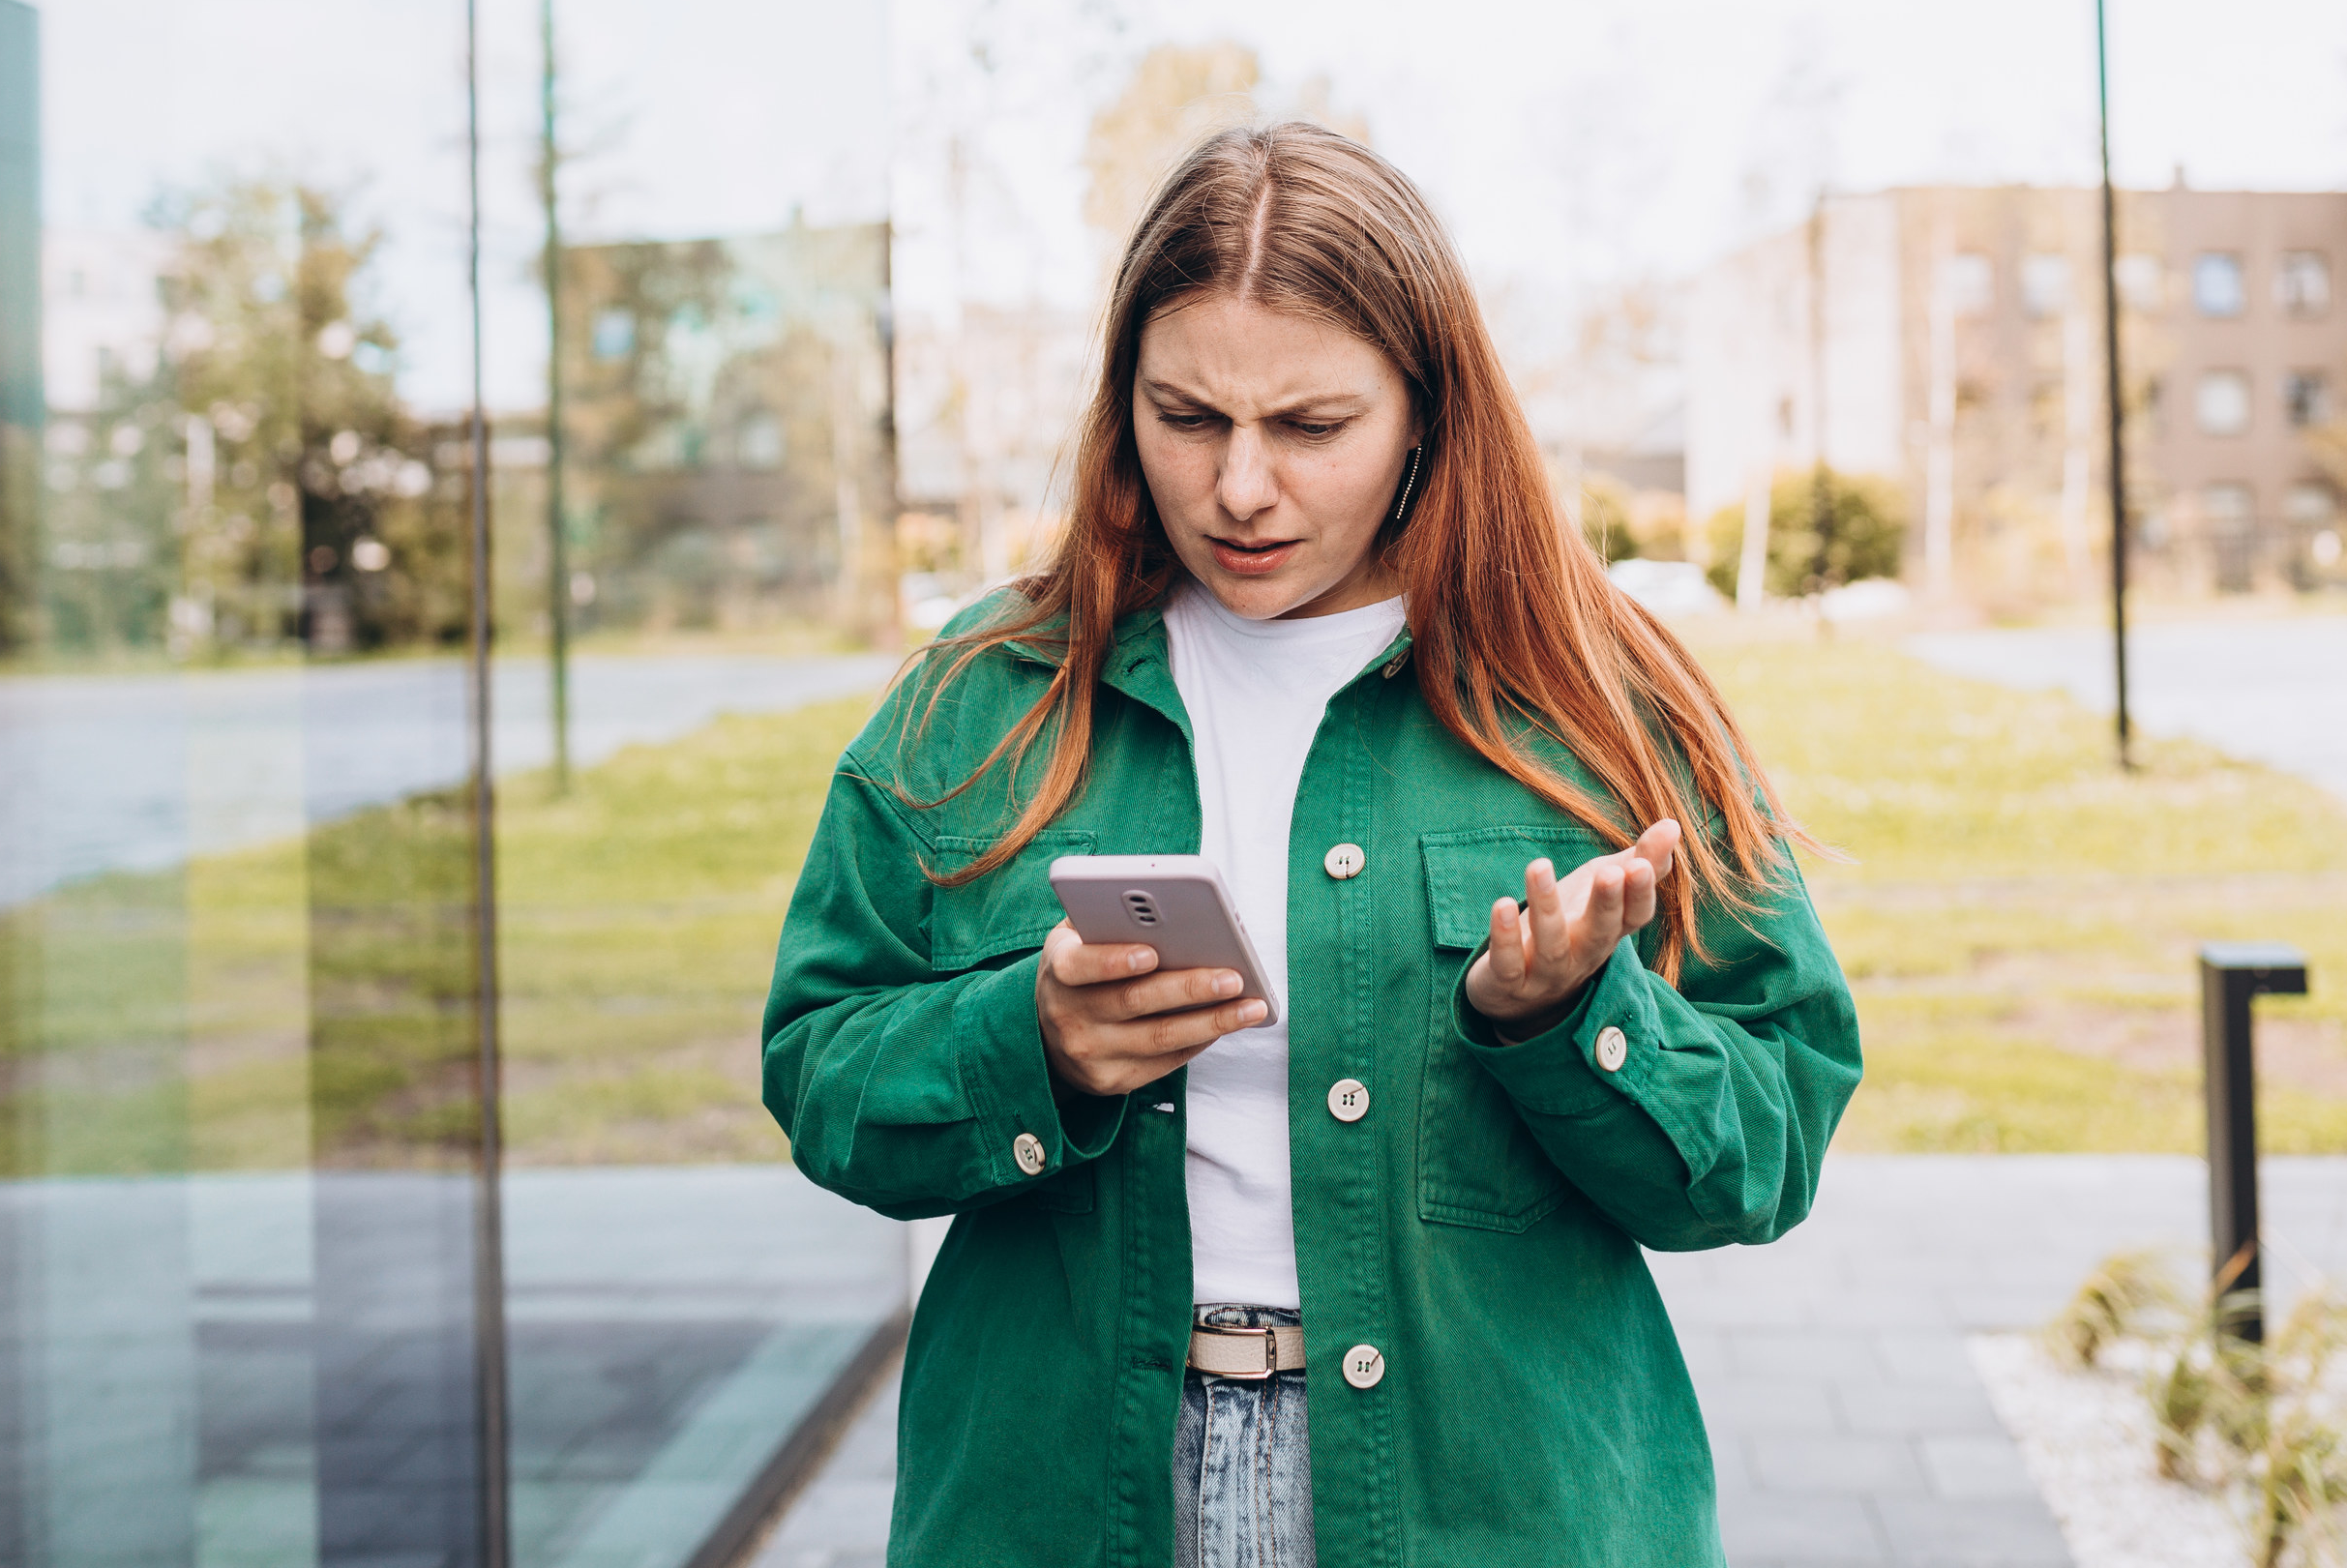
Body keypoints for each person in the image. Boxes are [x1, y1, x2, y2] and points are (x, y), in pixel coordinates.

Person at [763, 124, 1859, 1566]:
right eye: (1188, 417)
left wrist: (1574, 1024)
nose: (1240, 488)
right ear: (1122, 402)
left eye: (1311, 427)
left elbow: (1768, 1145)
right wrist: (1030, 1043)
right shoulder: (986, 697)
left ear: (1425, 414)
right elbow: (819, 1066)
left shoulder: (1601, 700)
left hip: (1493, 1511)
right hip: (1060, 1503)